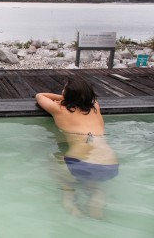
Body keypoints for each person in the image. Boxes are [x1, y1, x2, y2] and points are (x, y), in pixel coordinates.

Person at [35, 77, 119, 219]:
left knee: (55, 163)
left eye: (64, 89)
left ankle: (68, 199)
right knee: (95, 189)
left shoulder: (59, 109)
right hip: (110, 163)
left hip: (81, 162)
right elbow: (87, 99)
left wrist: (62, 98)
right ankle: (97, 217)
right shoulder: (95, 106)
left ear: (66, 95)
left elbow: (40, 96)